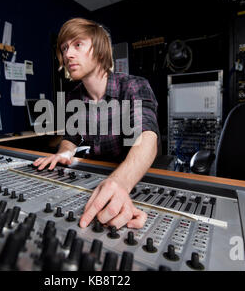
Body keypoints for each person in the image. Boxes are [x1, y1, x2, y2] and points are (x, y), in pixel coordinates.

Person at [33, 18, 160, 230]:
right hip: (97, 175)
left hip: (131, 178)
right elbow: (71, 138)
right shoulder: (74, 97)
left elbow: (146, 136)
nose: (68, 54)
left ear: (100, 50)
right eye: (64, 48)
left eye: (77, 45)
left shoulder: (133, 85)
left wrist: (120, 183)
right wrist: (64, 153)